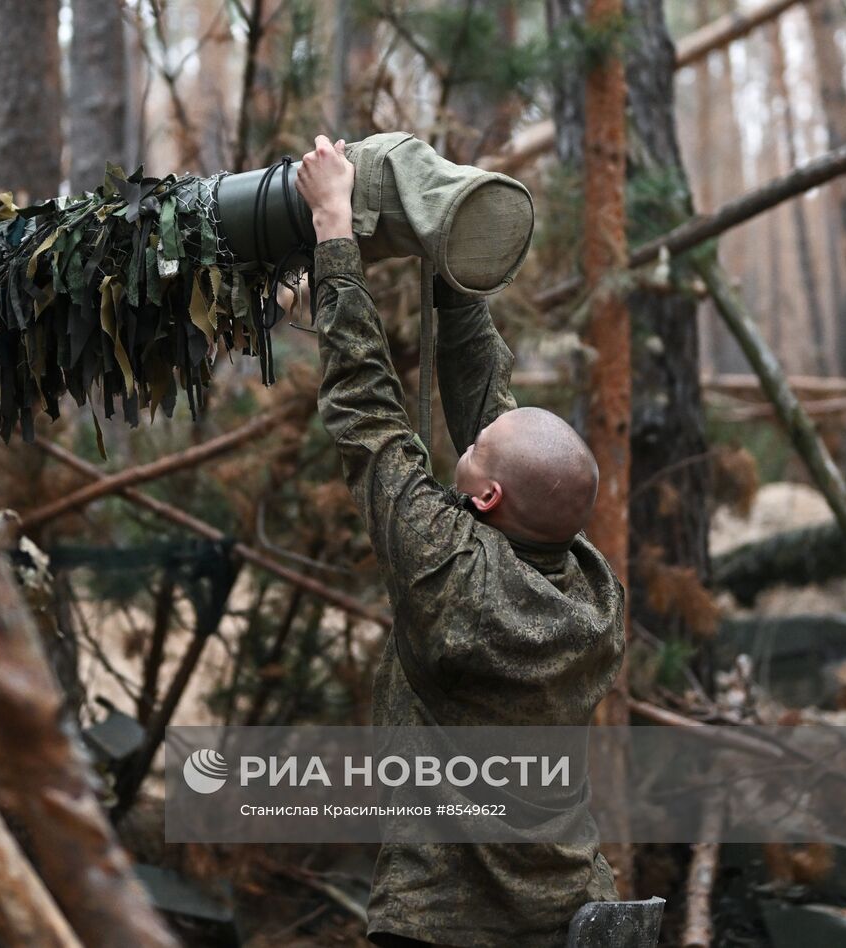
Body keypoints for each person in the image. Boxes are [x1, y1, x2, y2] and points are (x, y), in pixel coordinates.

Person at [295, 134, 625, 948]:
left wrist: (335, 229)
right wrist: (452, 242)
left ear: (486, 497)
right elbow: (491, 401)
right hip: (572, 910)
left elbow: (372, 420)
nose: (467, 438)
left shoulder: (455, 581)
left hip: (442, 925)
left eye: (475, 449)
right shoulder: (589, 588)